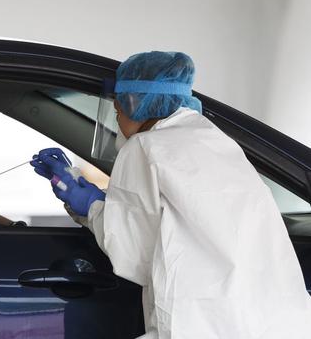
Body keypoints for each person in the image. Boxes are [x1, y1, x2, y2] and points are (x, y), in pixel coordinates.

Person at [31, 51, 311, 338]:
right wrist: (100, 202)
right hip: (275, 321)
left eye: (117, 111)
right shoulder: (214, 139)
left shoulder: (144, 147)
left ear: (135, 102)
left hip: (200, 322)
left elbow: (133, 255)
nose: (116, 121)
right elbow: (183, 218)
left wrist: (89, 207)